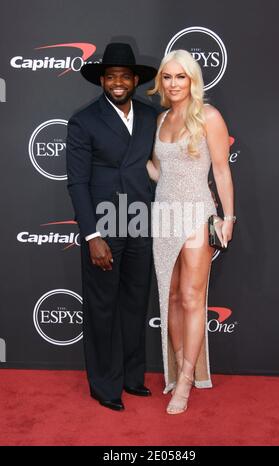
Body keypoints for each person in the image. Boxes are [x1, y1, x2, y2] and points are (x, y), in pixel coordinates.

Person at [66, 43, 157, 411]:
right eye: (111, 76)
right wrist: (92, 235)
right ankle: (104, 384)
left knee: (135, 304)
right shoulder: (84, 121)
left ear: (135, 80)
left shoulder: (152, 117)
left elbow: (159, 165)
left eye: (124, 76)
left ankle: (132, 378)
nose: (117, 82)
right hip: (103, 226)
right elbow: (77, 183)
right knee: (103, 307)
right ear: (102, 81)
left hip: (141, 224)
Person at [147, 50, 235, 414]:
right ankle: (179, 366)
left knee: (191, 297)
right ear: (161, 82)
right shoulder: (162, 118)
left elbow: (222, 171)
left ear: (193, 80)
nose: (173, 84)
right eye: (167, 77)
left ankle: (186, 380)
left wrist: (228, 218)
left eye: (181, 77)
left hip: (198, 213)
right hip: (163, 215)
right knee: (168, 297)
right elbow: (158, 171)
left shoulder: (209, 117)